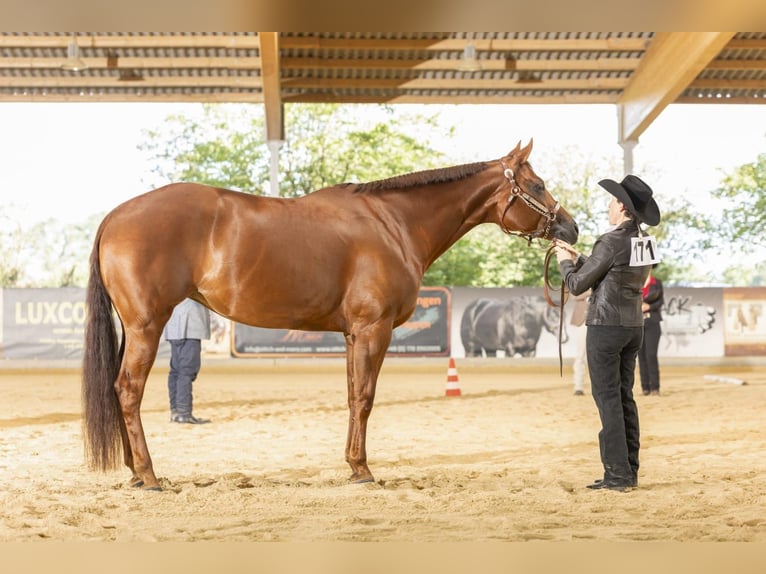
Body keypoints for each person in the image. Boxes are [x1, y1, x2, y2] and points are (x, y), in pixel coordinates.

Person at [553, 174, 660, 492]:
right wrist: (580, 258)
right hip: (631, 327)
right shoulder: (644, 242)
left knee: (608, 399)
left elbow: (576, 285)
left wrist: (564, 263)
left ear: (623, 208)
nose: (609, 205)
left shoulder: (611, 240)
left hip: (605, 326)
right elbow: (622, 275)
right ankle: (629, 471)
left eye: (613, 201)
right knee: (624, 397)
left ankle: (617, 474)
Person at [163, 298, 212, 424]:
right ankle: (184, 413)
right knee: (187, 370)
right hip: (190, 326)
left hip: (174, 326)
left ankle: (176, 412)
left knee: (176, 371)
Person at [639, 266, 664, 396]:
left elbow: (661, 302)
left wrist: (649, 306)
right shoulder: (635, 282)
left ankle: (655, 387)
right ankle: (645, 387)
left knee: (651, 355)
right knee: (641, 356)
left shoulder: (657, 283)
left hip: (652, 322)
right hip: (637, 323)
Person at [570, 289, 591, 396]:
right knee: (580, 355)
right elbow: (574, 293)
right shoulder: (579, 274)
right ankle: (578, 386)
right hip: (582, 320)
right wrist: (592, 291)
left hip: (599, 318)